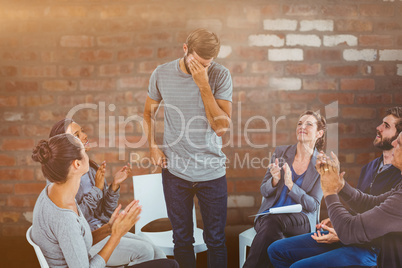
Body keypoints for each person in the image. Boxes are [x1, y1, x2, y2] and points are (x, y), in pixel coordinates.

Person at [268, 107, 402, 268]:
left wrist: (330, 190)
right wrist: (340, 185)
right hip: (352, 231)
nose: (395, 144)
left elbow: (358, 227)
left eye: (399, 142)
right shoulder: (371, 168)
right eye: (300, 123)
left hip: (370, 246)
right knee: (276, 250)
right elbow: (369, 204)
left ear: (320, 133)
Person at [143, 28, 232, 268]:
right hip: (175, 173)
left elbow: (221, 128)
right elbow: (148, 113)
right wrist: (152, 146)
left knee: (215, 240)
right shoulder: (161, 73)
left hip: (211, 172)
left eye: (208, 63)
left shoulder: (220, 75)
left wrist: (203, 84)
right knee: (182, 240)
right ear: (185, 49)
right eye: (198, 62)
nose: (203, 68)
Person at [31, 133, 178, 268]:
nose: (87, 153)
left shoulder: (57, 193)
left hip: (87, 257)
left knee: (159, 256)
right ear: (77, 164)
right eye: (83, 151)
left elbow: (80, 242)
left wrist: (109, 228)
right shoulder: (64, 217)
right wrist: (115, 236)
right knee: (171, 265)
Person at [243, 110, 326, 268]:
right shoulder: (281, 152)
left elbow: (313, 205)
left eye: (309, 124)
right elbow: (264, 191)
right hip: (269, 216)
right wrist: (274, 180)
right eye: (300, 123)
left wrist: (291, 185)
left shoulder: (321, 163)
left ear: (319, 133)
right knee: (273, 232)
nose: (302, 126)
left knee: (272, 227)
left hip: (300, 220)